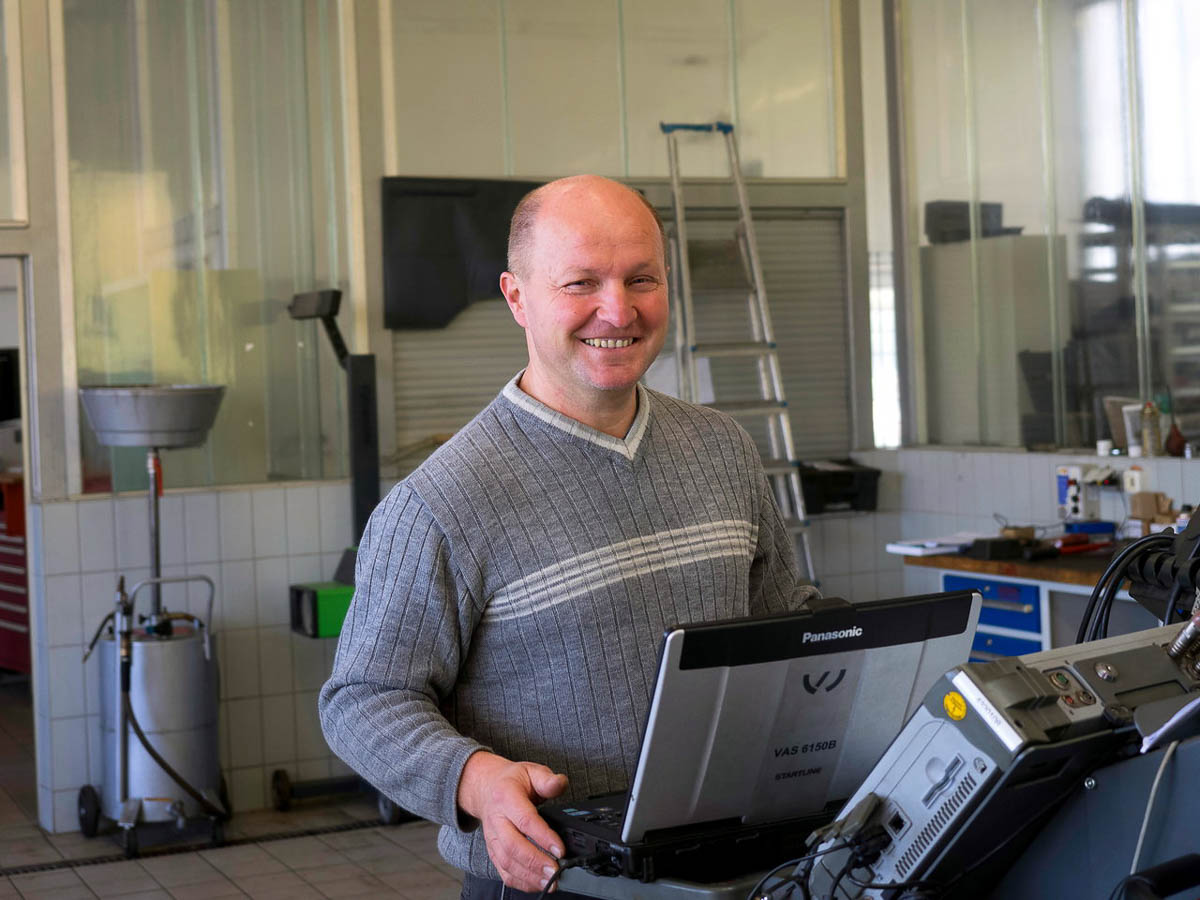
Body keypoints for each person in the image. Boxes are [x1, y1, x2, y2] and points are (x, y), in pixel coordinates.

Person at [319, 175, 817, 898]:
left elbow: (784, 621)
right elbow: (362, 699)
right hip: (553, 882)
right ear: (517, 296)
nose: (618, 310)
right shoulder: (439, 503)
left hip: (726, 864)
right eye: (581, 282)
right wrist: (477, 781)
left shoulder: (722, 449)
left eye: (640, 278)